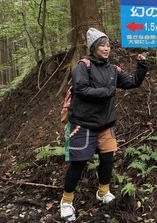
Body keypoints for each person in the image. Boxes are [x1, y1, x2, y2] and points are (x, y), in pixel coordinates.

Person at [60, 28, 148, 221]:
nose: (106, 48)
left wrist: (141, 66)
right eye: (102, 45)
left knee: (107, 159)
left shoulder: (113, 69)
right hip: (82, 124)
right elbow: (80, 88)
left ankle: (103, 192)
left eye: (108, 45)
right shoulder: (84, 66)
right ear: (93, 47)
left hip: (105, 124)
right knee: (79, 163)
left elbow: (133, 82)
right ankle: (66, 202)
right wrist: (106, 91)